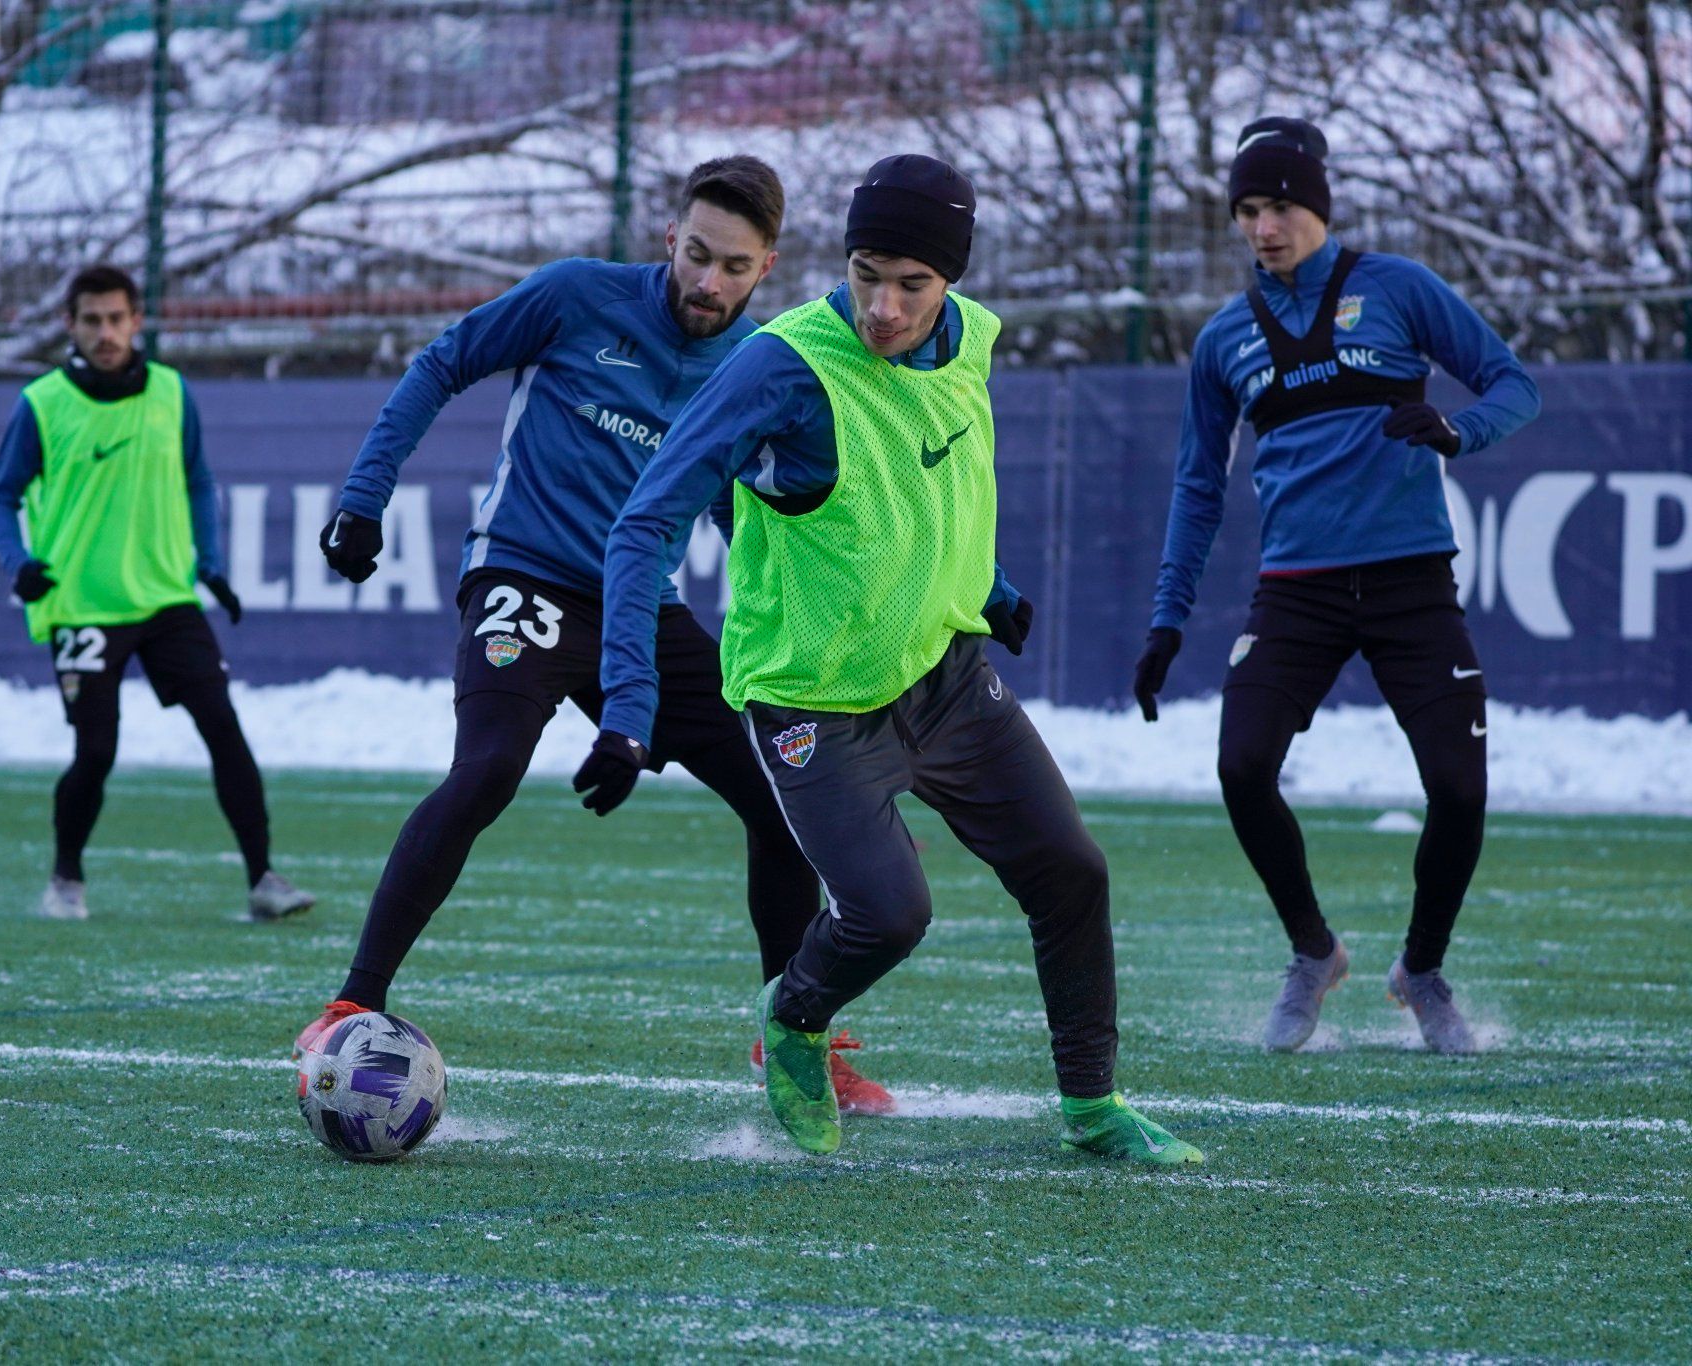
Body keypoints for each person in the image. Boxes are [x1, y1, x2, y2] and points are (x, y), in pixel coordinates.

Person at [588, 154, 1200, 1164]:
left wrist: (989, 590)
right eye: (864, 272)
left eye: (911, 284)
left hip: (943, 672)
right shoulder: (782, 365)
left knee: (1071, 871)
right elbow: (642, 521)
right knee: (887, 913)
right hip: (812, 698)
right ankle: (791, 1018)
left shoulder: (974, 345)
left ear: (951, 279)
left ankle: (1092, 1107)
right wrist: (628, 695)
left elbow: (930, 488)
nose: (881, 304)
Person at [292, 158, 898, 1115]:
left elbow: (755, 523)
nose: (709, 283)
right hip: (523, 577)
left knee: (785, 798)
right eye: (696, 255)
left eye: (733, 268)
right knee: (487, 768)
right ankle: (350, 1002)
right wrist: (364, 498)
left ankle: (794, 1040)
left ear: (767, 268)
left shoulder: (763, 366)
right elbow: (442, 362)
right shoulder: (577, 296)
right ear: (670, 238)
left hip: (639, 610)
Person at [1131, 118, 1540, 1055]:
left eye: (1279, 206)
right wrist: (1167, 619)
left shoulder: (1397, 288)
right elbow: (1199, 486)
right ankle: (1314, 953)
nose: (1263, 227)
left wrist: (1457, 431)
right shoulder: (1224, 337)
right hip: (1298, 592)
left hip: (1410, 585)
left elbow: (1514, 384)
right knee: (1241, 768)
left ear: (1316, 204)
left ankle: (1422, 969)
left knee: (1460, 791)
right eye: (1246, 210)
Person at [0, 264, 314, 923]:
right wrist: (16, 561)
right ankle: (66, 878)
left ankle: (264, 879)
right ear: (70, 325)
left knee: (223, 727)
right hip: (81, 604)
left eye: (116, 319)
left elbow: (197, 481)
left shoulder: (170, 392)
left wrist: (211, 566)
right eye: (91, 320)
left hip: (166, 599)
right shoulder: (43, 403)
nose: (105, 332)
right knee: (97, 751)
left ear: (137, 321)